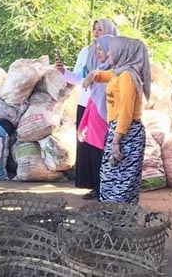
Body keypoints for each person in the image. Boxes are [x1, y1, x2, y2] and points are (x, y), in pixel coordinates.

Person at [56, 18, 118, 200]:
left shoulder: (116, 53)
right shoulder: (86, 52)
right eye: (95, 29)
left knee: (102, 147)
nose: (97, 32)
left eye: (101, 29)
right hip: (87, 103)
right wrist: (63, 72)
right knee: (88, 147)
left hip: (106, 107)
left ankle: (106, 187)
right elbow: (80, 79)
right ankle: (94, 186)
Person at [84, 36, 150, 204]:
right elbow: (104, 75)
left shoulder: (127, 77)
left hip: (127, 134)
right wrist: (93, 76)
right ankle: (115, 220)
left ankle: (118, 221)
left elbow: (126, 112)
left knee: (119, 183)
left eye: (111, 51)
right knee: (110, 179)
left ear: (123, 53)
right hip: (119, 131)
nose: (108, 53)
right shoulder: (120, 72)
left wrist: (116, 141)